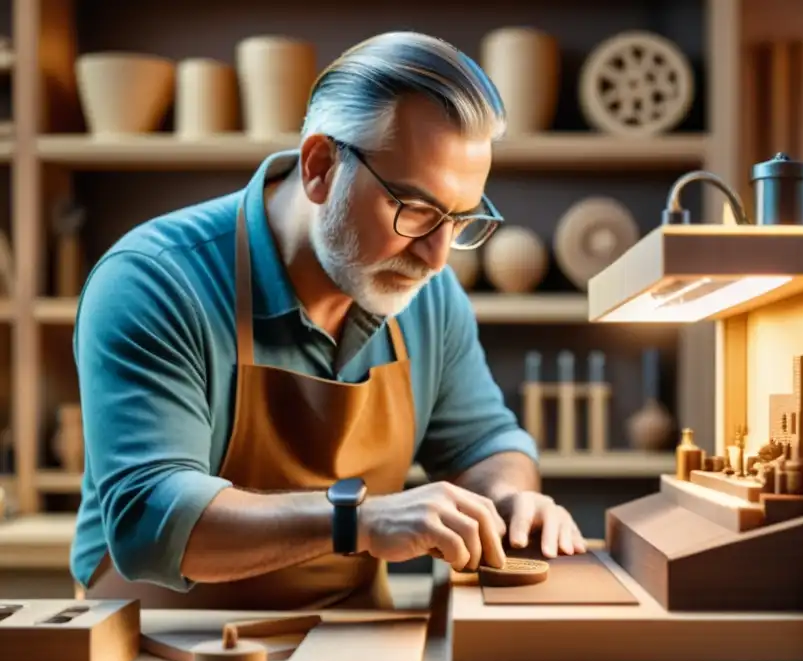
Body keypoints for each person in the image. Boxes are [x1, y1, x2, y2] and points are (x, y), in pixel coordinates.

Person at [69, 31, 586, 611]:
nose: (437, 256)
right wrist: (356, 521)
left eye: (461, 219)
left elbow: (484, 442)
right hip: (163, 650)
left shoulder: (429, 295)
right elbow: (150, 516)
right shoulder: (157, 280)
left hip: (351, 639)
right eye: (414, 209)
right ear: (319, 167)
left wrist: (509, 498)